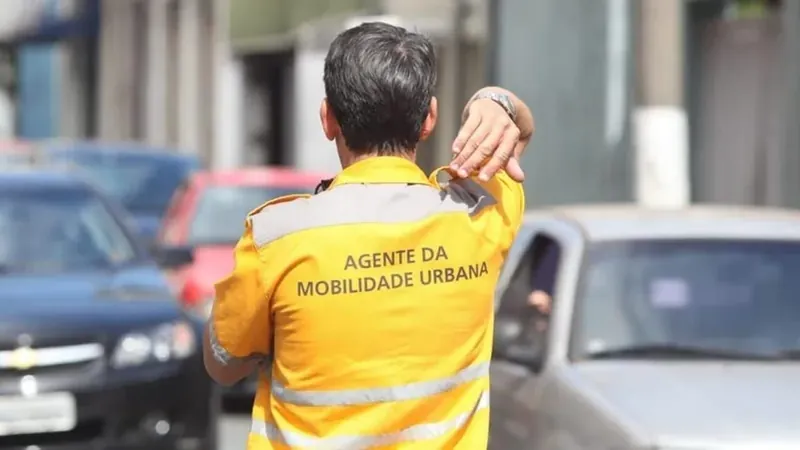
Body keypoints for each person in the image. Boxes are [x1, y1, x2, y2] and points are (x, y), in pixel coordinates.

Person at [203, 22, 534, 450]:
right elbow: (519, 130)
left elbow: (223, 364)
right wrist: (493, 99)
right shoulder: (478, 216)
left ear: (328, 119)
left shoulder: (275, 239)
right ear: (429, 118)